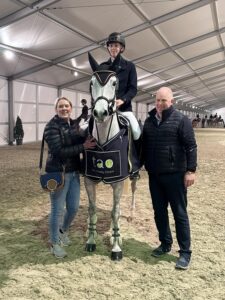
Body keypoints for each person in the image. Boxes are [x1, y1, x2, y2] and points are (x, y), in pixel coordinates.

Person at [141, 87, 197, 270]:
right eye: (157, 100)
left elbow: (191, 146)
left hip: (175, 175)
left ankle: (185, 252)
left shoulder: (181, 120)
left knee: (179, 213)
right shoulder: (149, 122)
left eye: (163, 100)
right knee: (159, 213)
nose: (159, 104)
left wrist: (190, 170)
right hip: (154, 176)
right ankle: (165, 243)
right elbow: (142, 147)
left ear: (171, 101)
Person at [44, 96, 96, 258]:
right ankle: (54, 242)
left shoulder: (72, 124)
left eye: (66, 106)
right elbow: (58, 151)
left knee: (73, 208)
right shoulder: (51, 127)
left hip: (74, 173)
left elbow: (79, 137)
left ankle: (63, 231)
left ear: (71, 108)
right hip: (58, 173)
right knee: (57, 210)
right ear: (56, 109)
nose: (64, 108)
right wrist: (83, 146)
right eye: (61, 106)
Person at [100, 32, 141, 142]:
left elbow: (133, 88)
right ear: (108, 47)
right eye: (111, 45)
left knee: (137, 133)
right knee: (87, 129)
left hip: (124, 109)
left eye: (116, 46)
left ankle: (136, 158)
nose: (113, 48)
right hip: (105, 109)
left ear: (121, 48)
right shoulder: (103, 67)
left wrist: (122, 100)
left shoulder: (130, 66)